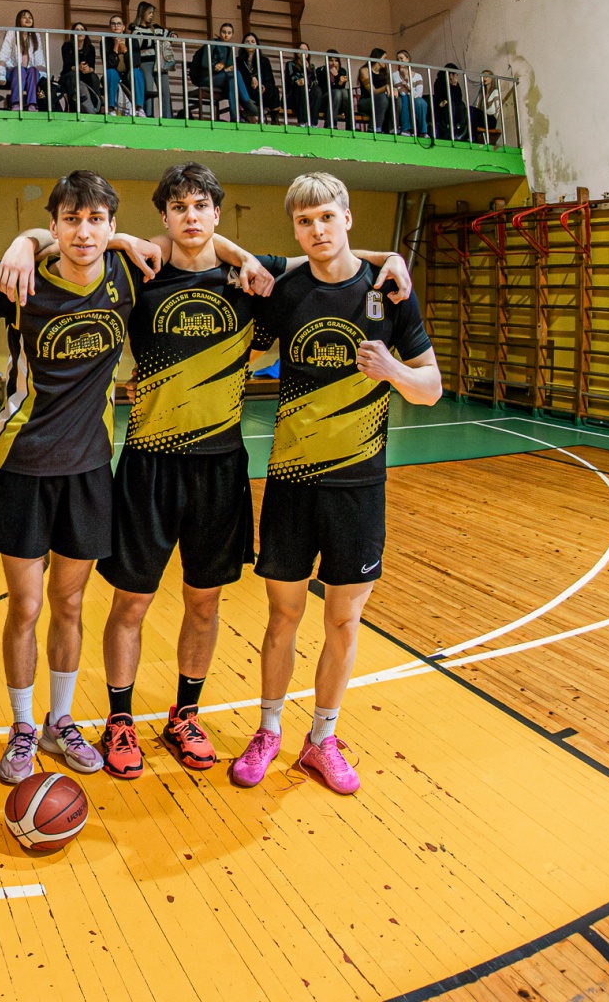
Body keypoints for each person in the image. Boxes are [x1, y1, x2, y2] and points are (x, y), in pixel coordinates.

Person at [93, 166, 411, 779]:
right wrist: (105, 239)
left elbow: (327, 254)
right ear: (164, 218)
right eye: (179, 207)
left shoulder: (251, 274)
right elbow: (75, 242)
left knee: (204, 602)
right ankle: (120, 720)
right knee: (131, 602)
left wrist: (389, 255)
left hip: (220, 466)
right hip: (148, 463)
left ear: (217, 214)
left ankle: (185, 715)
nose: (191, 216)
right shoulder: (141, 270)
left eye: (201, 206)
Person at [231, 172, 440, 797]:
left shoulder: (389, 292)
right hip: (292, 483)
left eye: (327, 217)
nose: (317, 230)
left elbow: (431, 389)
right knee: (283, 616)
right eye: (305, 221)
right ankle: (268, 729)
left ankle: (322, 739)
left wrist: (394, 369)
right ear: (294, 229)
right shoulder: (285, 290)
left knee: (344, 621)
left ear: (347, 218)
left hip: (359, 486)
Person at [0, 170, 141, 783]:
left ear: (112, 226)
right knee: (25, 605)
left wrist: (384, 259)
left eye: (96, 220)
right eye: (70, 220)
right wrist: (21, 242)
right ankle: (24, 726)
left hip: (89, 468)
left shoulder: (128, 274)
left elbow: (196, 244)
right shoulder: (20, 281)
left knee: (69, 603)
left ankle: (60, 720)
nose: (83, 231)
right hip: (22, 465)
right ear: (53, 225)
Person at [127, 2, 168, 118]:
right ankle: (148, 114)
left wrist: (172, 35)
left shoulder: (156, 27)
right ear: (142, 13)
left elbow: (168, 34)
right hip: (146, 62)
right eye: (149, 13)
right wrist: (154, 41)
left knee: (165, 90)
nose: (151, 15)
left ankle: (167, 116)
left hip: (160, 62)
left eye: (152, 13)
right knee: (148, 89)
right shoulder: (135, 29)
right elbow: (139, 44)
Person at [0, 11, 43, 110]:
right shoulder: (12, 33)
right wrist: (1, 75)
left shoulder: (35, 35)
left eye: (30, 17)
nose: (28, 19)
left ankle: (32, 104)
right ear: (19, 20)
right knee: (20, 70)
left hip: (30, 72)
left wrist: (43, 78)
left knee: (33, 70)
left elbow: (39, 58)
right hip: (13, 71)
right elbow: (4, 54)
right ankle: (15, 103)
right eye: (24, 17)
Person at [104, 13, 140, 115]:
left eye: (119, 23)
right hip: (114, 75)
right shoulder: (106, 41)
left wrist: (125, 51)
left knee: (136, 72)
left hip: (128, 73)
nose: (116, 26)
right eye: (113, 24)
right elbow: (109, 64)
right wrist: (115, 48)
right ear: (110, 27)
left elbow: (136, 62)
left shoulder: (132, 40)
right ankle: (111, 108)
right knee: (110, 72)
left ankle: (139, 108)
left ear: (123, 27)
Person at [70, 22, 105, 113]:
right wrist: (78, 67)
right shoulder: (67, 46)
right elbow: (67, 66)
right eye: (77, 30)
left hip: (85, 73)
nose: (80, 32)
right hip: (71, 74)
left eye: (82, 30)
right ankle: (75, 107)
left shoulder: (90, 48)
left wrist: (88, 69)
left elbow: (92, 67)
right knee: (73, 76)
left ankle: (99, 105)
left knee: (94, 76)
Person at [394, 48, 424, 136]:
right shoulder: (394, 75)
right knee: (405, 98)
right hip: (402, 97)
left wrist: (408, 85)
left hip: (414, 97)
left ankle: (422, 131)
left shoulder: (418, 76)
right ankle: (405, 129)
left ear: (407, 59)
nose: (399, 61)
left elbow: (419, 94)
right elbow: (402, 92)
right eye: (397, 59)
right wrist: (404, 77)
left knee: (421, 103)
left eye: (401, 58)